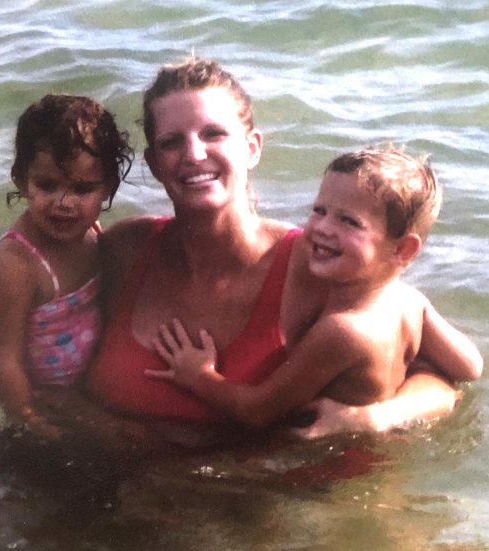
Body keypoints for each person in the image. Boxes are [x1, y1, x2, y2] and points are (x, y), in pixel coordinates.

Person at [85, 57, 461, 447]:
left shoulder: (317, 263)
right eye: (171, 142)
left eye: (213, 134)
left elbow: (443, 381)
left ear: (252, 148)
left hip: (274, 502)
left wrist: (374, 417)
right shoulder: (125, 250)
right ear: (154, 164)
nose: (194, 154)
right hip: (117, 490)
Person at [146, 146, 483, 432]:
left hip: (330, 478)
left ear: (403, 250)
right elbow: (469, 368)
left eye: (348, 221)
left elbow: (257, 411)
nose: (322, 228)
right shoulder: (409, 301)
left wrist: (199, 375)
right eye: (319, 211)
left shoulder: (342, 330)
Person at [0, 94, 133, 441]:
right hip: (44, 404)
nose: (64, 203)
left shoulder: (93, 235)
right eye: (47, 186)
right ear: (22, 181)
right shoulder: (16, 265)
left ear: (107, 187)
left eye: (82, 189)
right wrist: (31, 424)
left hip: (80, 393)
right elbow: (6, 363)